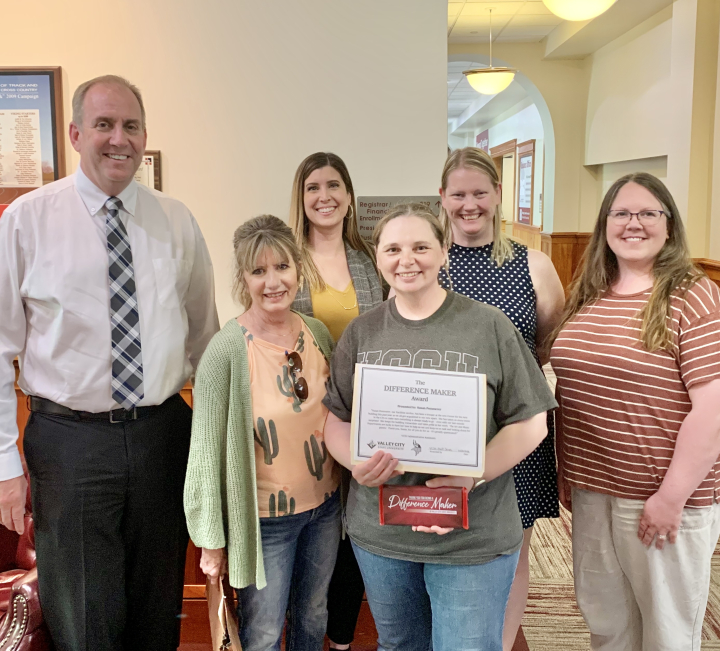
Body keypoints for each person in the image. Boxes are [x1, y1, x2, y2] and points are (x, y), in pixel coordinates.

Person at [0, 75, 219, 650]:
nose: (118, 138)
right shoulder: (26, 221)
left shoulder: (176, 220)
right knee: (86, 622)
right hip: (69, 444)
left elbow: (206, 340)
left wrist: (219, 447)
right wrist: (4, 467)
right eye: (103, 124)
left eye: (130, 126)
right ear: (74, 134)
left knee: (157, 613)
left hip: (162, 436)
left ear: (144, 135)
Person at [323, 203, 557, 651]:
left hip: (473, 534)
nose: (406, 259)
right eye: (392, 248)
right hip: (383, 533)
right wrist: (355, 461)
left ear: (444, 250)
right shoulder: (361, 333)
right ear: (378, 258)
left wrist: (472, 473)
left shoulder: (488, 326)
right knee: (400, 644)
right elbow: (336, 419)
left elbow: (532, 423)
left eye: (420, 246)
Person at [550, 173, 720, 651]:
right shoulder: (589, 290)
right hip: (593, 489)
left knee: (666, 631)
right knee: (606, 621)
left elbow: (713, 408)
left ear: (670, 225)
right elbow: (573, 388)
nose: (633, 223)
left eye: (648, 213)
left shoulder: (693, 294)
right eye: (621, 213)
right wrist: (570, 470)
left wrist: (671, 497)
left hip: (662, 496)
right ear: (605, 223)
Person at [184, 215, 341, 651]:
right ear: (243, 279)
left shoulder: (318, 334)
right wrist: (210, 542)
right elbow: (205, 452)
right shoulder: (226, 350)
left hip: (324, 510)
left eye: (282, 267)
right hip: (265, 523)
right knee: (265, 631)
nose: (273, 281)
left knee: (313, 616)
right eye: (258, 271)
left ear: (299, 271)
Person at [438, 147, 565, 650]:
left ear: (496, 196)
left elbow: (549, 340)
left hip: (519, 431)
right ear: (442, 198)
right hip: (445, 434)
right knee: (446, 542)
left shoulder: (534, 264)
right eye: (459, 194)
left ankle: (502, 640)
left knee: (513, 549)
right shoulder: (427, 261)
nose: (470, 204)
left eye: (480, 193)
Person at [289, 151, 383, 649]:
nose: (324, 197)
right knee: (312, 531)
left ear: (349, 195)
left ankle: (342, 638)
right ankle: (304, 634)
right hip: (303, 421)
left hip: (367, 418)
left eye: (333, 186)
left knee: (356, 533)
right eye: (312, 188)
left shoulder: (372, 260)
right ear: (300, 199)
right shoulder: (285, 257)